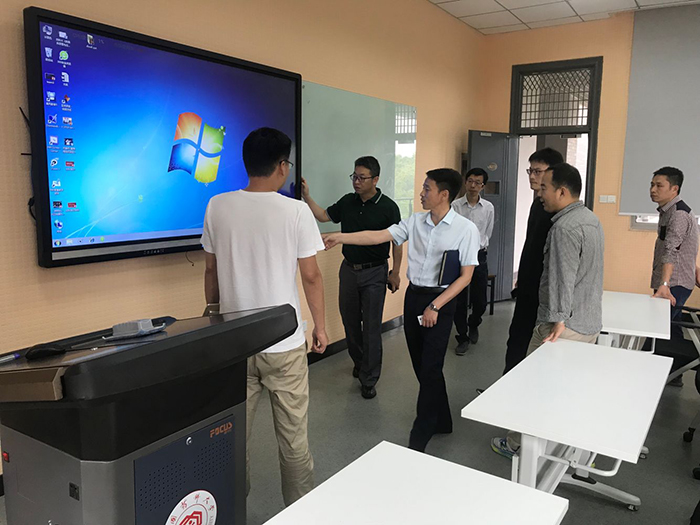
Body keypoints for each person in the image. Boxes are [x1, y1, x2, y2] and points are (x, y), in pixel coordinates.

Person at [201, 127, 328, 506]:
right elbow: (311, 276)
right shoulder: (296, 210)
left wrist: (214, 318)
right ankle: (299, 510)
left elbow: (211, 271)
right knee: (293, 439)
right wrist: (320, 327)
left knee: (231, 437)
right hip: (283, 343)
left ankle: (232, 509)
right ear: (282, 166)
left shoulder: (217, 205)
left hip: (234, 343)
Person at [323, 168, 480, 452]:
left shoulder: (465, 229)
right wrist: (341, 237)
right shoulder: (415, 222)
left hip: (441, 301)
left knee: (431, 366)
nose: (421, 193)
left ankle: (422, 430)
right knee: (422, 365)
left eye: (427, 188)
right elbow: (378, 236)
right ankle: (443, 419)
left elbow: (465, 277)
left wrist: (435, 306)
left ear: (444, 194)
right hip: (414, 297)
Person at [492, 162, 604, 458]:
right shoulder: (590, 219)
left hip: (561, 327)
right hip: (588, 322)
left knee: (533, 386)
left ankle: (516, 445)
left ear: (562, 191)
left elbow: (562, 278)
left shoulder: (563, 228)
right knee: (563, 387)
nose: (539, 193)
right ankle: (556, 446)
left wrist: (558, 320)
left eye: (544, 187)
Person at [302, 157, 402, 399]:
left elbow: (397, 241)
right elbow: (323, 216)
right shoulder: (348, 201)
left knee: (371, 327)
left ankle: (369, 378)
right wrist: (307, 196)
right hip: (348, 270)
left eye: (362, 178)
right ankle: (360, 362)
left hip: (375, 272)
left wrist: (396, 272)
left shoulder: (388, 207)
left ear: (375, 180)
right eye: (354, 176)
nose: (356, 182)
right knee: (350, 322)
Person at [502, 147, 564, 374]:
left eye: (538, 171)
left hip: (543, 289)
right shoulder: (538, 203)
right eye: (530, 170)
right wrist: (522, 276)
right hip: (528, 284)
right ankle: (507, 385)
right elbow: (531, 245)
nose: (532, 176)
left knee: (533, 342)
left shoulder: (556, 211)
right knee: (517, 337)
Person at [649, 167, 699, 346]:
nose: (653, 190)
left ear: (674, 189)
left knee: (655, 331)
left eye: (659, 185)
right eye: (652, 185)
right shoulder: (669, 211)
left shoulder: (678, 214)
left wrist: (664, 285)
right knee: (672, 329)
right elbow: (683, 246)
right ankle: (678, 362)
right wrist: (693, 267)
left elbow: (671, 250)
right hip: (672, 280)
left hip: (673, 284)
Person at [451, 167, 495, 355]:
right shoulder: (455, 206)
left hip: (478, 256)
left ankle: (474, 322)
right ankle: (462, 337)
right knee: (459, 300)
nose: (473, 185)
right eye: (470, 181)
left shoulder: (488, 207)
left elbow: (487, 233)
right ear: (465, 182)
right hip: (459, 256)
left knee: (480, 300)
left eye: (477, 182)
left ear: (482, 186)